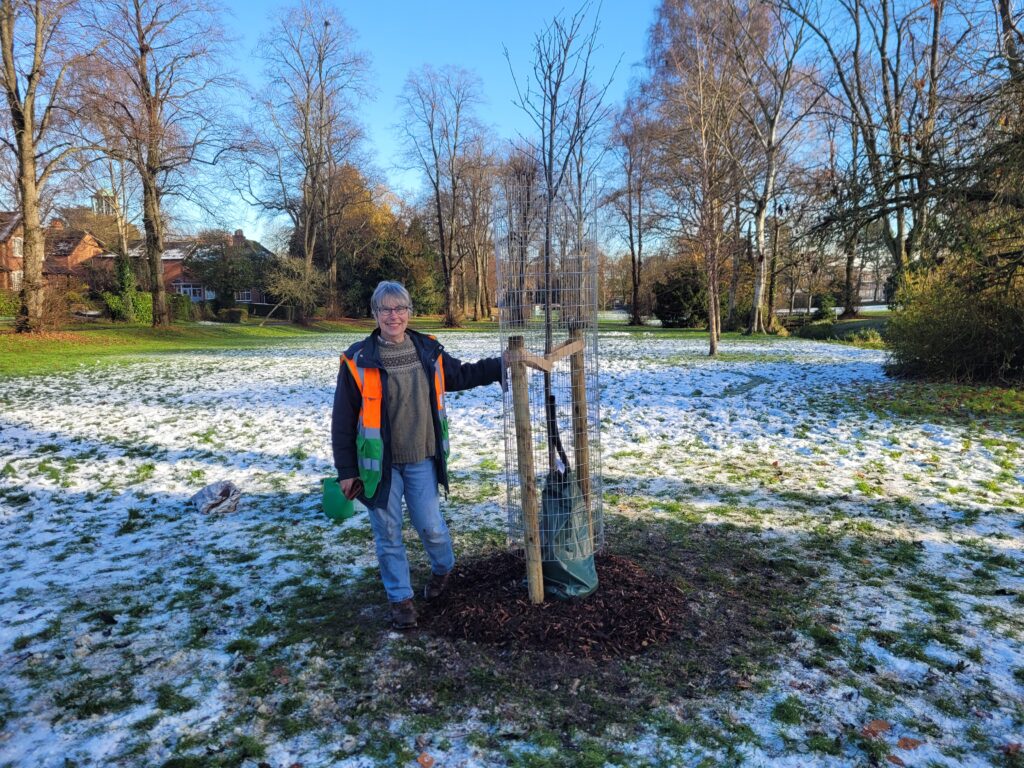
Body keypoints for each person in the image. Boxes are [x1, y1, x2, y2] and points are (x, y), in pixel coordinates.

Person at [332, 280, 503, 629]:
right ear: (375, 314)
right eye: (385, 309)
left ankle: (443, 569)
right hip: (378, 468)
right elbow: (343, 420)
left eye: (400, 308)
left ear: (409, 311)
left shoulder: (428, 350)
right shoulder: (357, 360)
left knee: (432, 527)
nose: (393, 316)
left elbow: (462, 374)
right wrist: (347, 470)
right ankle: (401, 600)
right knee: (388, 533)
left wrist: (502, 365)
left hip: (422, 457)